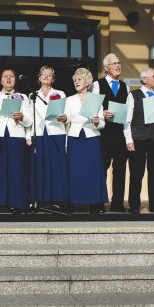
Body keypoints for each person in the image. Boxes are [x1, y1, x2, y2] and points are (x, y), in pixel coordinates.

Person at [90, 53, 130, 212]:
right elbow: (91, 109)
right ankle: (97, 204)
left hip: (120, 133)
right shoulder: (97, 84)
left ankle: (118, 204)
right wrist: (102, 113)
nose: (118, 66)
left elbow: (129, 111)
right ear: (106, 68)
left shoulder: (125, 86)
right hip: (103, 134)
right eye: (114, 63)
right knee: (101, 169)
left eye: (119, 63)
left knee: (120, 170)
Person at [65, 68, 108, 213]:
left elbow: (103, 124)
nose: (76, 82)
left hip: (92, 138)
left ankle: (95, 203)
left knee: (93, 172)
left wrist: (97, 121)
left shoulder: (96, 100)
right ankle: (72, 202)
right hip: (75, 138)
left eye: (79, 79)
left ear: (87, 82)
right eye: (74, 80)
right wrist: (63, 118)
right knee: (75, 171)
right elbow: (66, 120)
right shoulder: (69, 100)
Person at [0, 68, 33, 213]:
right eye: (5, 76)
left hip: (17, 135)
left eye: (12, 76)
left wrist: (22, 117)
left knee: (17, 170)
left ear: (15, 80)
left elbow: (29, 120)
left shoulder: (23, 97)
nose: (8, 79)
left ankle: (17, 203)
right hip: (0, 135)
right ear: (0, 80)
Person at [124, 68, 154, 214]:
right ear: (144, 79)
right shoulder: (133, 95)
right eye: (153, 76)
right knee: (136, 173)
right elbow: (127, 120)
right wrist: (129, 140)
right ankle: (134, 205)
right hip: (138, 138)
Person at [30, 65, 69, 207]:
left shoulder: (60, 93)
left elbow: (66, 114)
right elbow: (30, 117)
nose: (46, 76)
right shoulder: (32, 95)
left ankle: (58, 200)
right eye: (43, 74)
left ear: (53, 79)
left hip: (56, 132)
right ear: (39, 78)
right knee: (40, 166)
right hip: (39, 133)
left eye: (49, 74)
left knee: (57, 167)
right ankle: (41, 199)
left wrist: (65, 118)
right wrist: (29, 136)